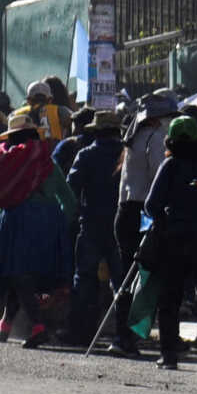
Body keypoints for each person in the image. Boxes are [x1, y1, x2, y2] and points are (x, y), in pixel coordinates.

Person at [139, 114, 197, 369]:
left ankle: (169, 355)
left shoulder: (170, 166)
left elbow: (151, 204)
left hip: (175, 240)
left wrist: (161, 219)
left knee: (170, 299)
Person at [0, 122, 72, 347]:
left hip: (15, 219)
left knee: (17, 272)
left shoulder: (3, 159)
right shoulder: (49, 164)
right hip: (49, 221)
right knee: (23, 274)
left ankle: (38, 326)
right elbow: (70, 202)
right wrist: (60, 225)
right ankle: (6, 323)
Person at [63, 109, 127, 348]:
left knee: (84, 279)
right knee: (121, 282)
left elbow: (71, 188)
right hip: (120, 224)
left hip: (90, 223)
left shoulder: (86, 155)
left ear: (96, 131)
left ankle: (81, 333)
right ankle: (123, 335)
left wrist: (74, 215)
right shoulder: (126, 154)